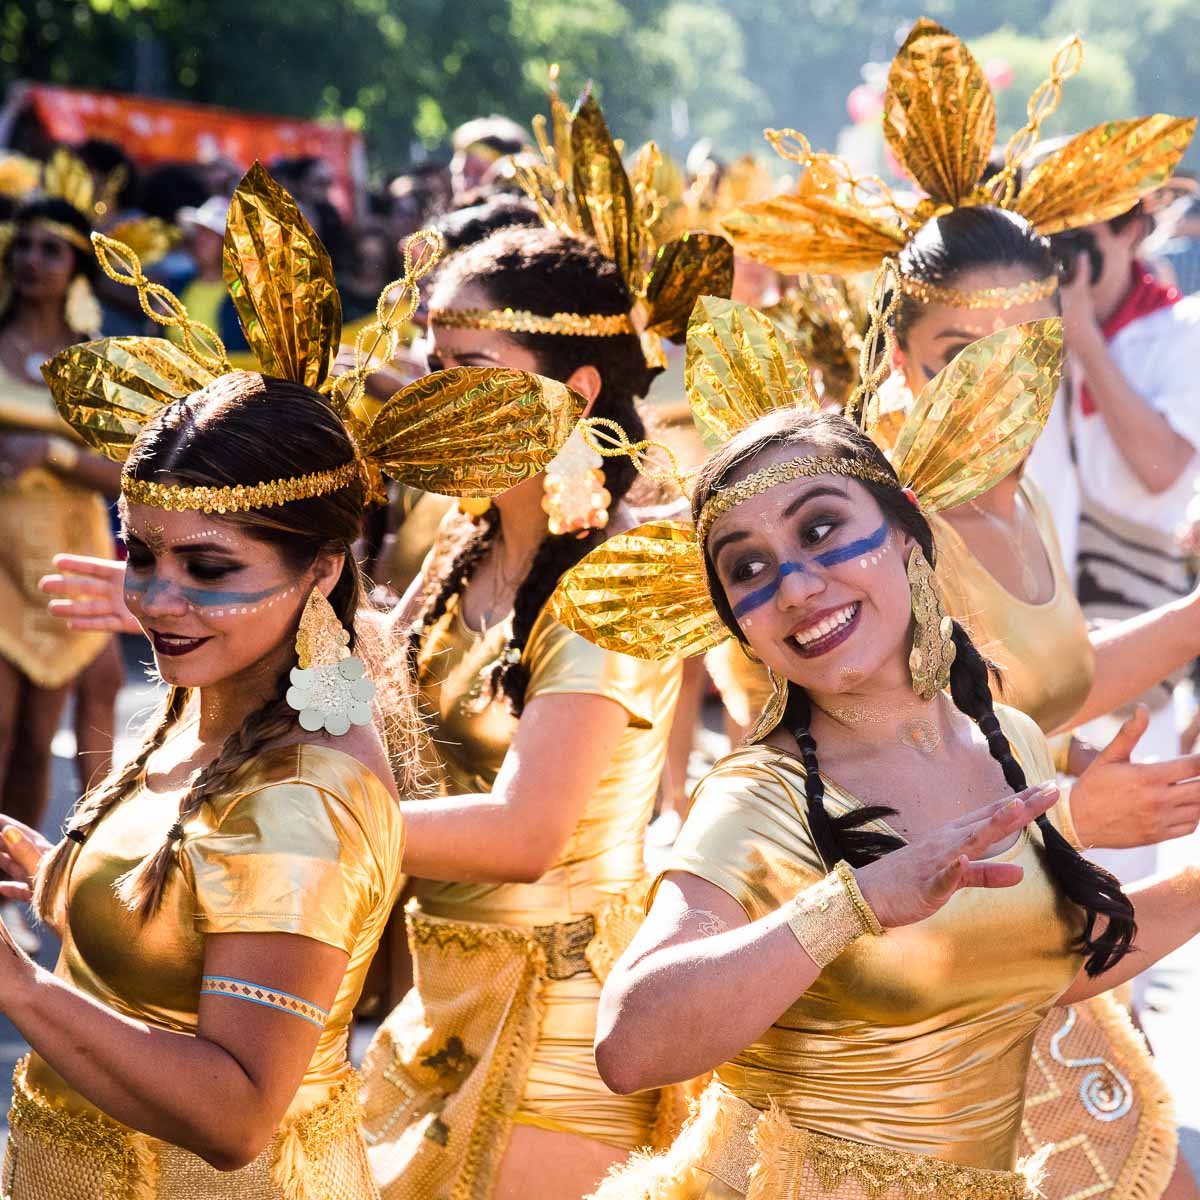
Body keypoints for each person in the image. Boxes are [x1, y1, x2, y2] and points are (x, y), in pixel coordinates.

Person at [2, 163, 579, 1199]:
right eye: (145, 556)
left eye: (209, 569)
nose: (160, 599)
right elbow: (205, 907)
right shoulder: (225, 697)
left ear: (319, 571)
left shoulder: (303, 794)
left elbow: (233, 1117)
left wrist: (19, 988)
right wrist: (61, 873)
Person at [722, 20, 1200, 1195]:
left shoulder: (1019, 487)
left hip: (1038, 946)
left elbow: (1057, 680)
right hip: (917, 990)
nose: (998, 392)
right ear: (893, 353)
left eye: (1029, 355)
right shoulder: (871, 532)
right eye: (956, 357)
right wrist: (1081, 807)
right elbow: (872, 794)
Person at [556, 404, 1200, 1199]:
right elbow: (629, 1044)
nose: (794, 584)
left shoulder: (1007, 739)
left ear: (906, 533)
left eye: (820, 529)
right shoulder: (761, 797)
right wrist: (853, 905)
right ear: (740, 626)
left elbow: (1030, 967)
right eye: (749, 569)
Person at [0, 196, 123, 951]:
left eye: (52, 248)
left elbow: (130, 474)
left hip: (68, 565)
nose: (33, 260)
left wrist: (51, 455)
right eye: (24, 246)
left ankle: (15, 889)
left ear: (76, 263)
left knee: (36, 742)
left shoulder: (96, 360)